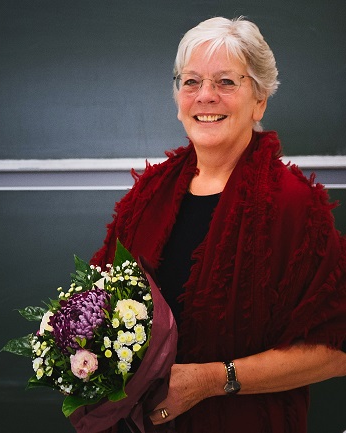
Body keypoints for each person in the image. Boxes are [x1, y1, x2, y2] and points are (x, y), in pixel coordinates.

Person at [77, 16, 346, 433]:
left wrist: (211, 380)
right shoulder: (148, 193)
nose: (205, 96)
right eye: (191, 82)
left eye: (226, 82)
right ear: (177, 96)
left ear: (260, 101)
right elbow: (98, 305)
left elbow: (335, 351)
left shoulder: (296, 205)